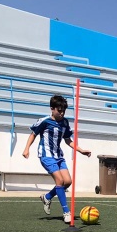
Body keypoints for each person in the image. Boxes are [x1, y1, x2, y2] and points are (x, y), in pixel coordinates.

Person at [22, 95, 91, 223]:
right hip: (46, 155)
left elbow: (68, 140)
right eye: (59, 110)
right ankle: (66, 212)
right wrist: (26, 149)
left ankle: (47, 197)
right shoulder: (45, 121)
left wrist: (80, 150)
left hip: (58, 156)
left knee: (68, 181)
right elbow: (33, 134)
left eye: (63, 111)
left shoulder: (65, 122)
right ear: (52, 109)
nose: (62, 113)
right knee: (59, 180)